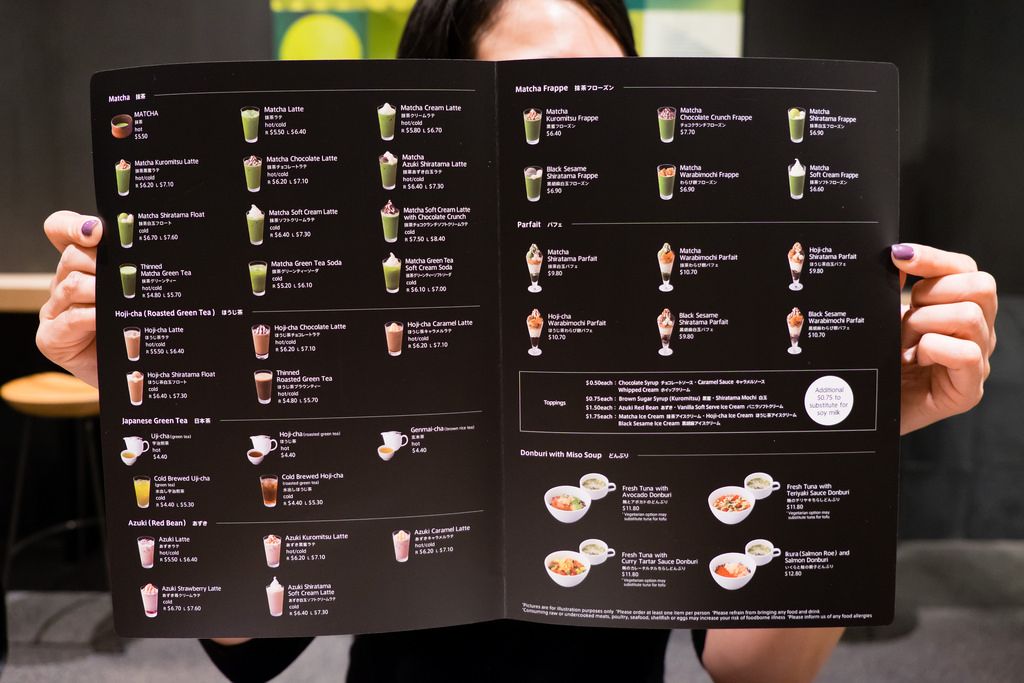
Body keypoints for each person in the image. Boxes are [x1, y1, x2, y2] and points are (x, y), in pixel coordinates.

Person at [36, 0, 998, 681]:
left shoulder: (685, 327)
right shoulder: (372, 313)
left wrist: (852, 444)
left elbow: (753, 667)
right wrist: (168, 392)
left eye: (603, 100)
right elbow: (252, 644)